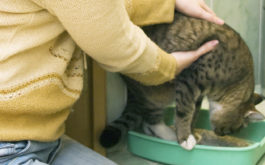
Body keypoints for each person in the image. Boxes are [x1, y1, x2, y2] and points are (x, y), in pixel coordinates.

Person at [0, 0, 224, 164]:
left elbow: (95, 8)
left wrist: (167, 4)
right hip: (9, 146)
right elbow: (113, 43)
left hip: (40, 138)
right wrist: (168, 66)